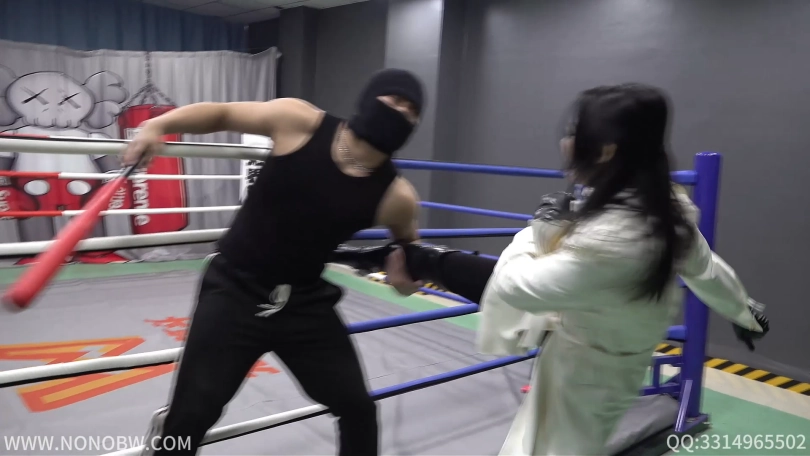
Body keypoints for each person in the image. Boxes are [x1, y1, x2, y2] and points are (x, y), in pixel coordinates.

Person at [331, 83, 770, 455]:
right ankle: (404, 258)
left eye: (576, 133)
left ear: (607, 150)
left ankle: (405, 259)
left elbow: (513, 284)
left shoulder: (618, 242)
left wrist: (537, 229)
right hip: (593, 349)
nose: (566, 141)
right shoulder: (660, 206)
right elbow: (706, 268)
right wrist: (744, 311)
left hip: (587, 375)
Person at [120, 68, 427, 456]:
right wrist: (158, 124)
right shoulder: (299, 121)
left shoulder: (397, 197)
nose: (401, 112)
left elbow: (410, 255)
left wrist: (406, 281)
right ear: (369, 98)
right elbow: (221, 113)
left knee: (358, 410)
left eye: (412, 110)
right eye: (395, 100)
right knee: (190, 417)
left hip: (304, 304)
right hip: (234, 291)